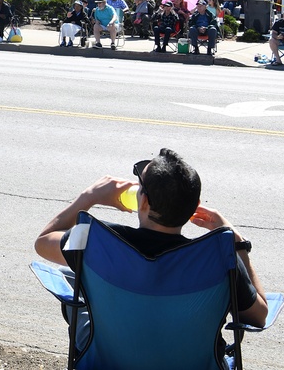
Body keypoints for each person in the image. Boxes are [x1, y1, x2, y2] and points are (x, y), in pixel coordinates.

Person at [34, 149, 268, 351]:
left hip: (110, 358)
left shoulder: (94, 240)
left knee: (75, 282)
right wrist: (238, 245)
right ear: (194, 207)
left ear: (143, 201)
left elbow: (43, 241)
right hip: (192, 361)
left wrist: (87, 198)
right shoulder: (219, 257)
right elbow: (258, 316)